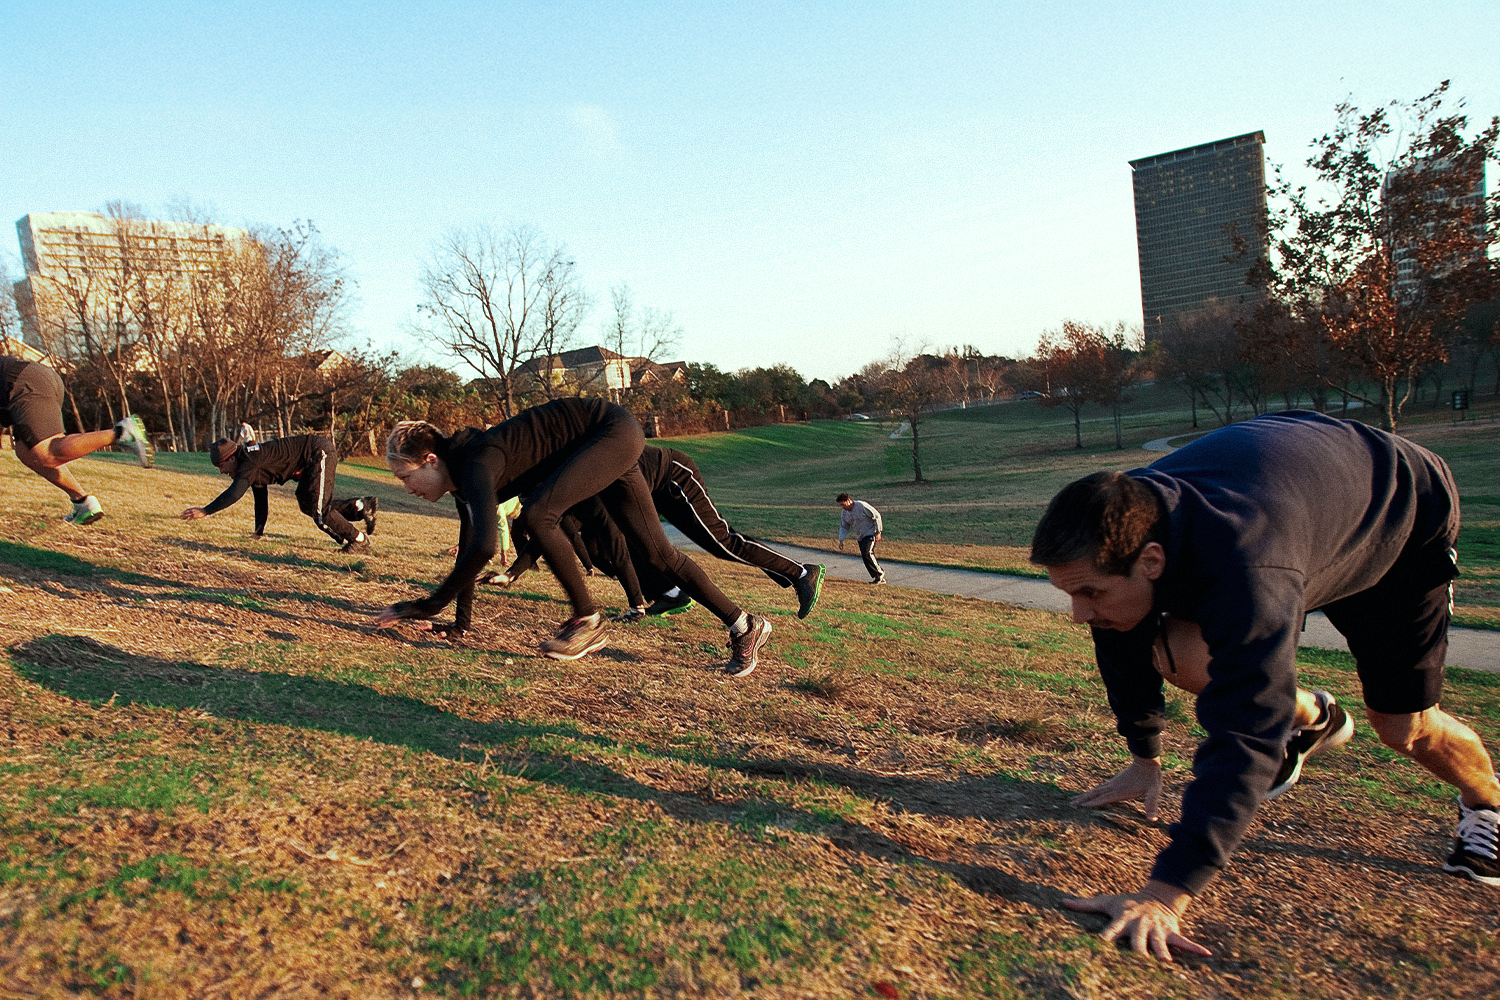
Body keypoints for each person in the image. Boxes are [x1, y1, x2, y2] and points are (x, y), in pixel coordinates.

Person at [1030, 410, 1500, 963]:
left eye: (1089, 593)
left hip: (1400, 517)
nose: (1077, 614)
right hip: (1302, 503)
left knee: (1403, 727)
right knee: (1182, 657)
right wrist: (1144, 755)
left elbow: (1244, 734)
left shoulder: (1248, 570)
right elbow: (1118, 629)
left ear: (1152, 560)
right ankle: (1311, 716)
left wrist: (1166, 893)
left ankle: (1487, 806)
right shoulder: (1127, 516)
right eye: (1069, 594)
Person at [375, 398, 773, 674]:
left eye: (406, 477)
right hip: (599, 440)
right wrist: (460, 624)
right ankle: (745, 625)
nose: (407, 488)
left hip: (611, 431)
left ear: (430, 460)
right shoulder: (464, 478)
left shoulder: (477, 464)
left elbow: (484, 546)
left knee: (539, 514)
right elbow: (473, 547)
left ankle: (587, 620)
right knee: (656, 554)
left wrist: (428, 606)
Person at [639, 445, 824, 619]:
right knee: (636, 538)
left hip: (673, 476)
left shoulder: (612, 432)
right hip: (649, 488)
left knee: (723, 542)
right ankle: (670, 593)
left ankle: (802, 573)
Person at [1, 355, 154, 524]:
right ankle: (83, 503)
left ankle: (121, 433)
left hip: (23, 381)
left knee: (45, 451)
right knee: (27, 452)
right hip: (34, 378)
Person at [180, 434, 376, 553]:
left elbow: (235, 493)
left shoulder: (249, 461)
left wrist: (205, 510)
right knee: (308, 503)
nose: (222, 471)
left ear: (230, 458)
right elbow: (260, 499)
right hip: (308, 461)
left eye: (221, 466)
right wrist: (258, 533)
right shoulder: (251, 464)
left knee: (319, 510)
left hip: (317, 453)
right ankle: (361, 507)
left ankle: (359, 541)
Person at [836, 492, 884, 584]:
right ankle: (876, 576)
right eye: (840, 505)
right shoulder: (845, 513)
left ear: (849, 501)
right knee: (864, 555)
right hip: (860, 536)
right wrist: (841, 539)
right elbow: (844, 526)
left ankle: (879, 574)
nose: (842, 507)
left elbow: (876, 515)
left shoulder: (862, 506)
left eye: (843, 504)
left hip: (870, 533)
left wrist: (878, 531)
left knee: (867, 552)